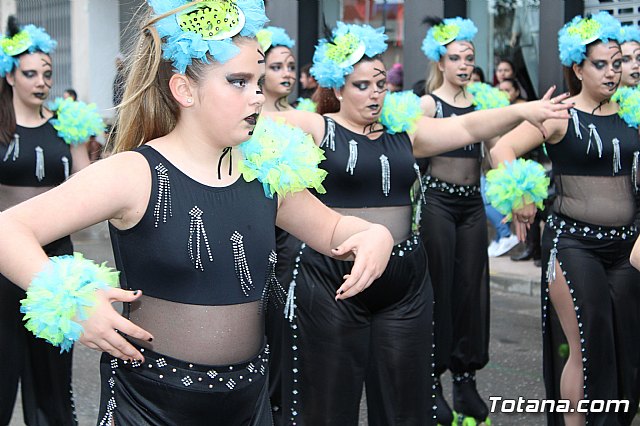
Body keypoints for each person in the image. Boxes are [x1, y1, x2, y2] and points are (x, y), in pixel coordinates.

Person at [0, 2, 395, 425]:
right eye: (238, 82)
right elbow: (10, 229)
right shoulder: (135, 173)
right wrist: (74, 303)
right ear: (184, 91)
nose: (258, 96)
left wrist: (374, 235)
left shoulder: (267, 171)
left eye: (258, 82)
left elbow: (333, 228)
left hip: (249, 403)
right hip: (149, 406)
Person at [265, 20, 570, 426]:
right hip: (333, 279)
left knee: (406, 404)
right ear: (337, 88)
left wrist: (521, 111)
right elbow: (257, 125)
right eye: (361, 85)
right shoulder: (318, 128)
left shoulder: (406, 134)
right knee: (327, 404)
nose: (375, 93)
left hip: (404, 280)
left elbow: (466, 126)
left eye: (379, 84)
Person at [490, 12, 640, 425]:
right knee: (586, 348)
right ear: (577, 67)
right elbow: (501, 150)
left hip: (626, 248)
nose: (612, 72)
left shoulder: (632, 112)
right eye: (600, 64)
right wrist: (520, 197)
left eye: (617, 62)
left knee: (626, 350)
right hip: (574, 246)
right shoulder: (560, 115)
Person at [419, 16, 517, 424]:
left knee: (472, 291)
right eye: (455, 58)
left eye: (469, 58)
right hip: (438, 205)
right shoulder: (428, 104)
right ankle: (431, 382)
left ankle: (465, 380)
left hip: (472, 206)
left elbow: (495, 154)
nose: (463, 65)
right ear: (440, 62)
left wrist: (517, 192)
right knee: (439, 290)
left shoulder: (483, 101)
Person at [0, 17, 91, 425]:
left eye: (47, 74)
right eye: (30, 73)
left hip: (56, 263)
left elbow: (89, 190)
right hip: (3, 261)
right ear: (10, 75)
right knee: (3, 370)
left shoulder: (66, 126)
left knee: (54, 380)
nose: (41, 81)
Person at [257, 26, 296, 112]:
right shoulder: (247, 121)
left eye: (291, 67)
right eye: (276, 67)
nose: (287, 74)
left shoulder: (306, 119)